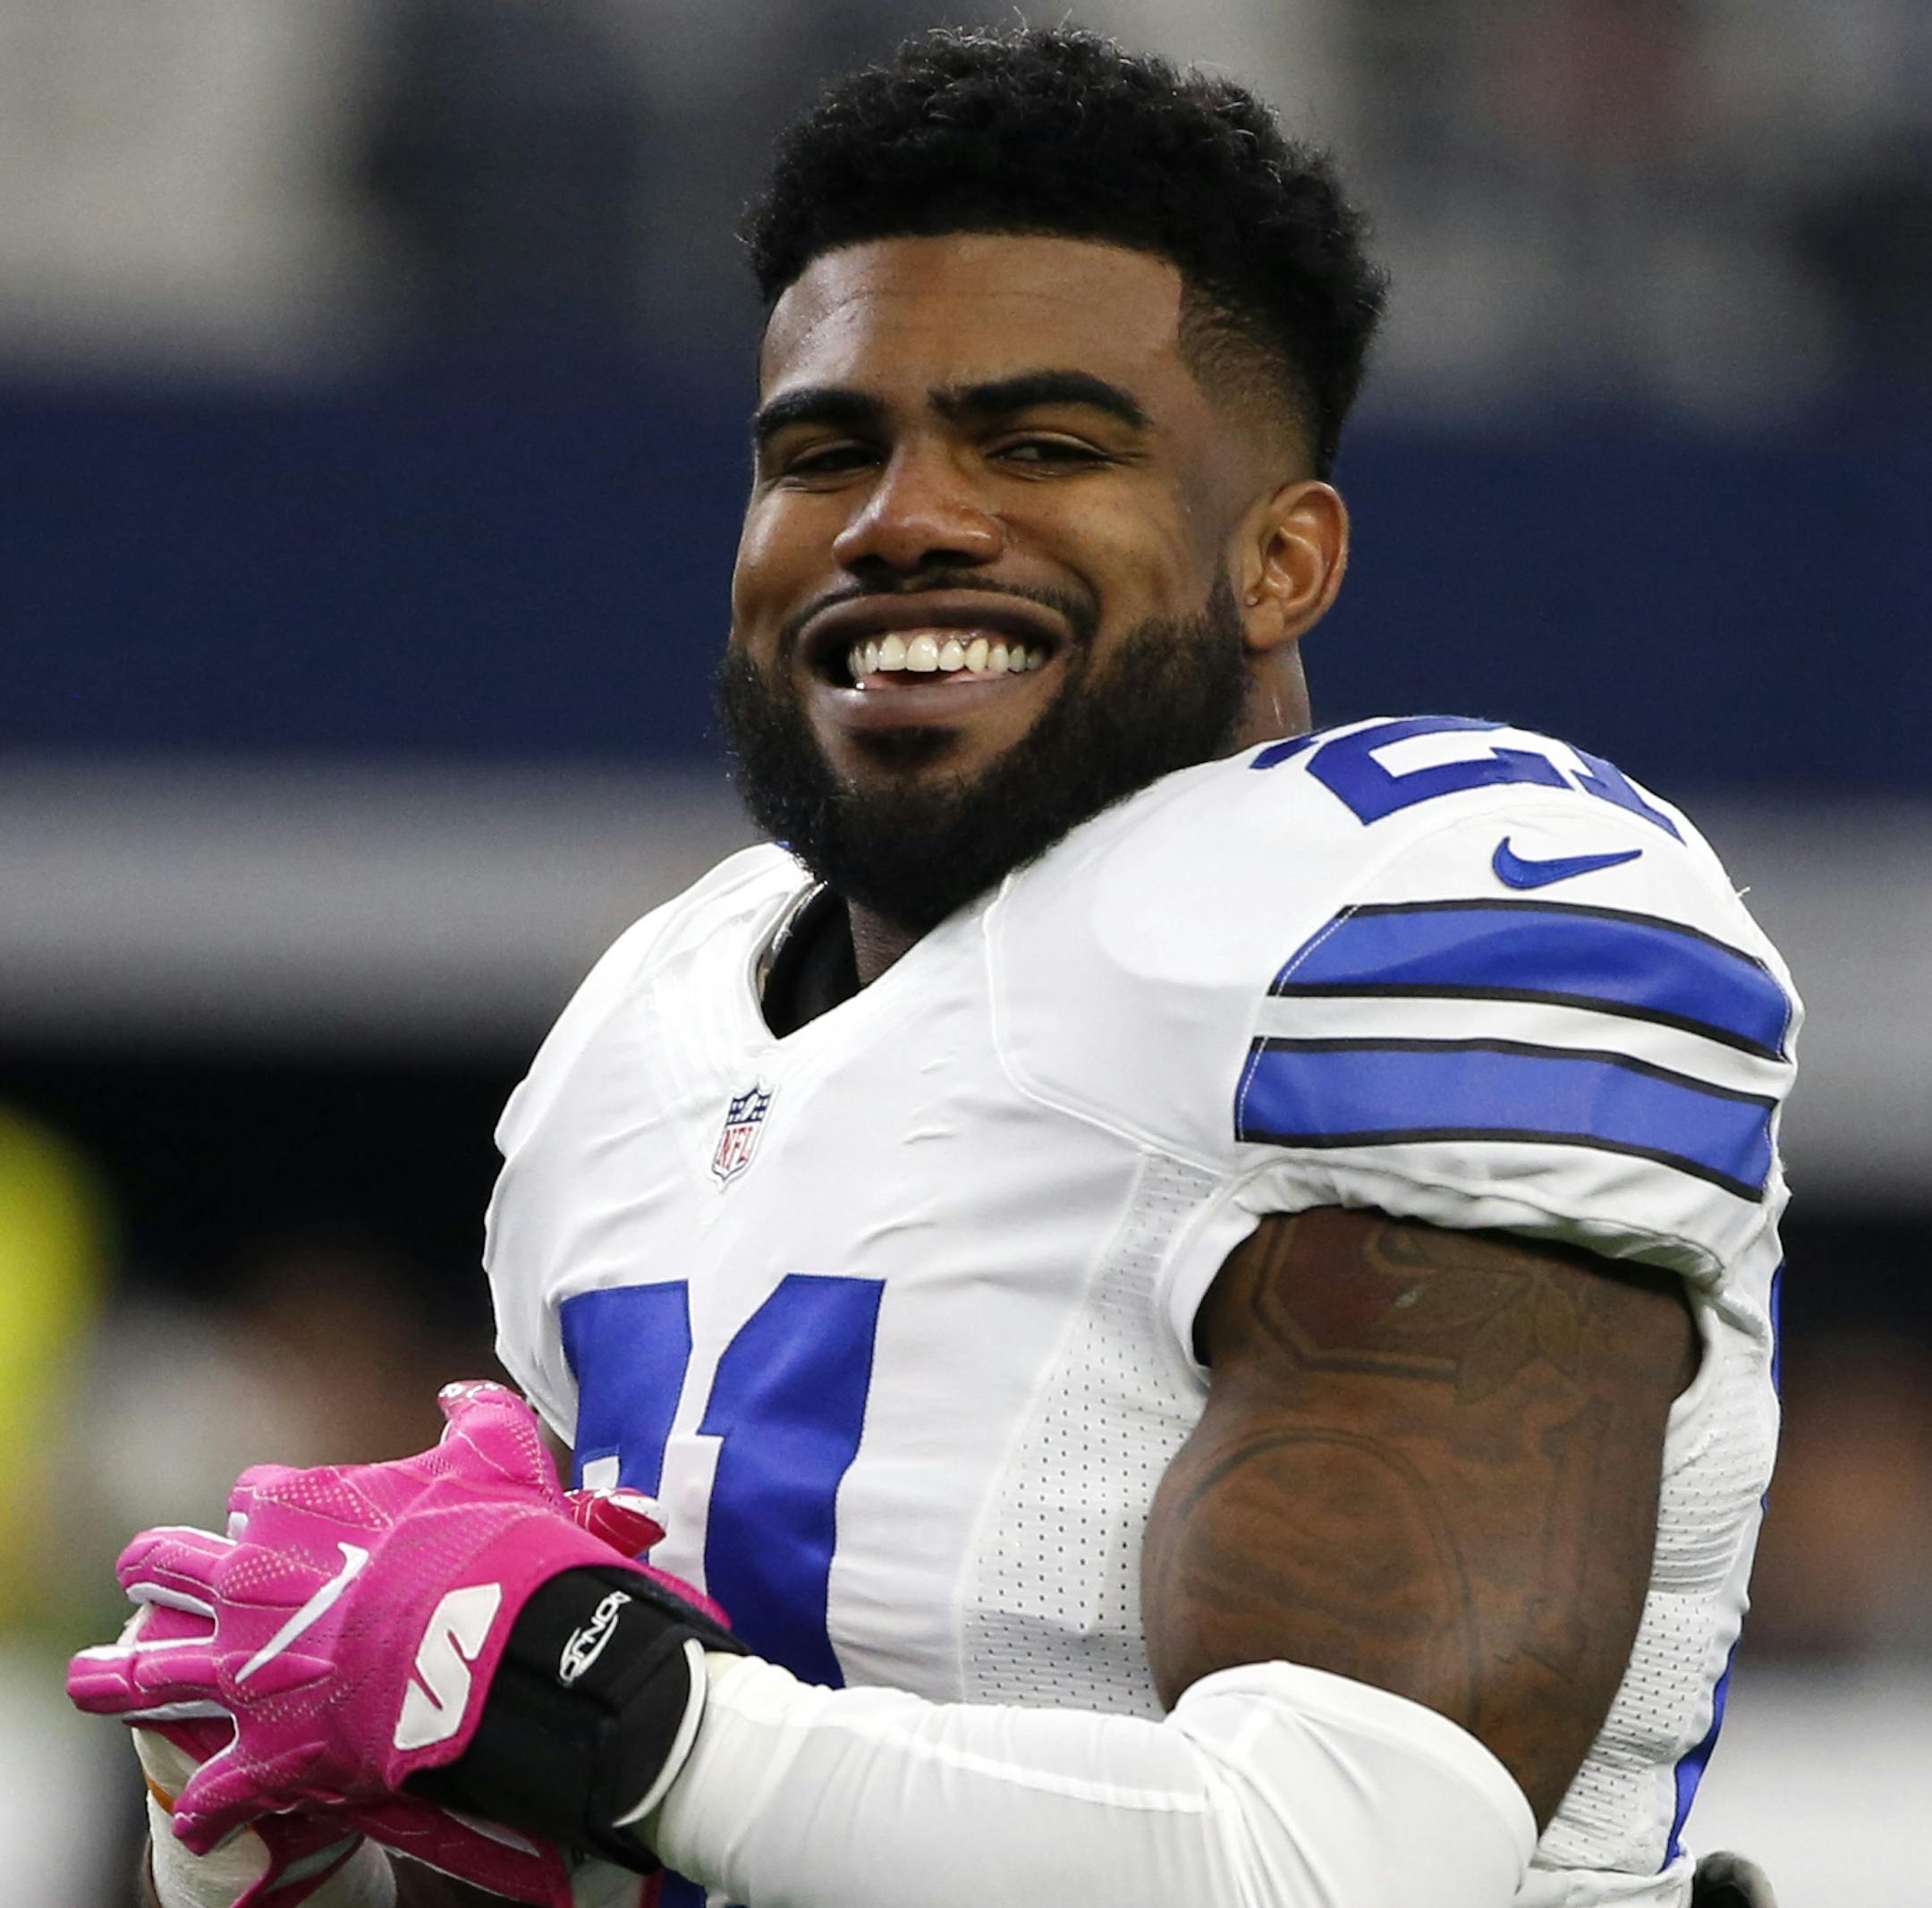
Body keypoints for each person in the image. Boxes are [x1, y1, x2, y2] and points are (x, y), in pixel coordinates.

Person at [72, 26, 1797, 1908]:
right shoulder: (650, 1025)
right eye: (826, 451)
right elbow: (678, 1815)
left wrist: (613, 1707)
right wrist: (341, 1826)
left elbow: (1341, 1859)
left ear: (1284, 561)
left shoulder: (1421, 919)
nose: (902, 518)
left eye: (1044, 444)